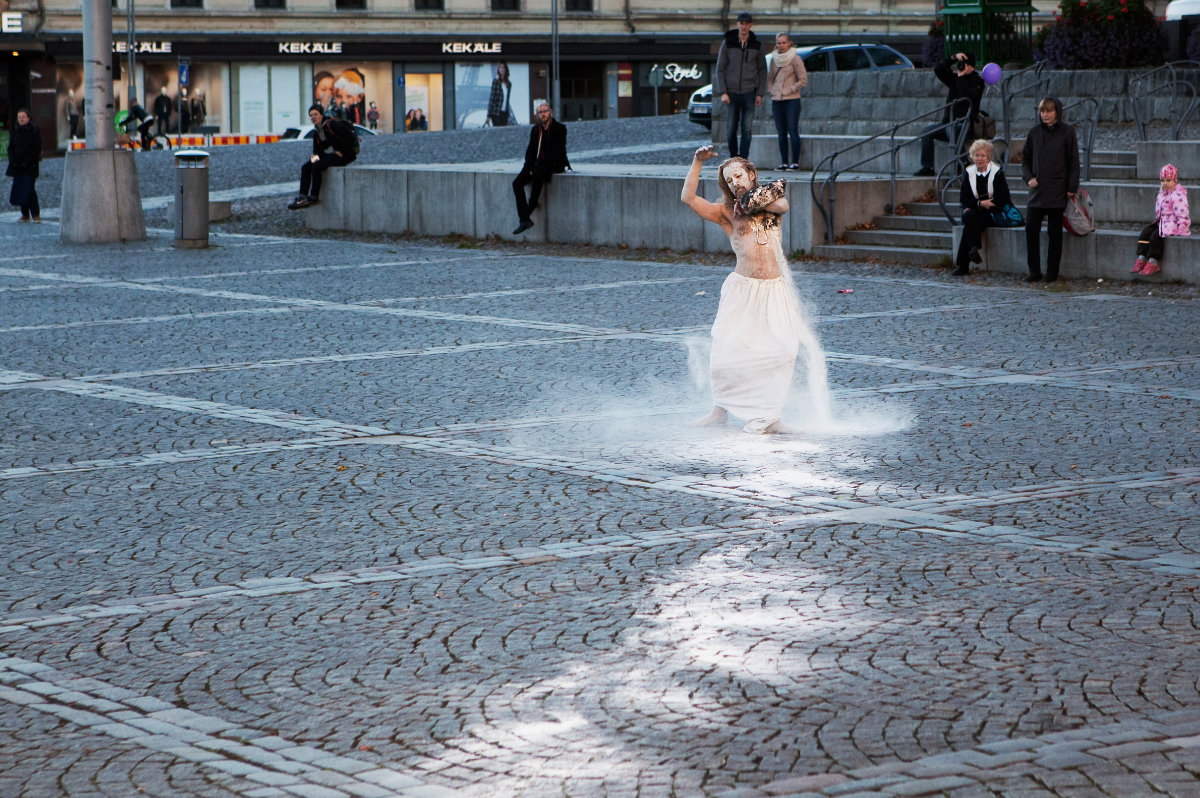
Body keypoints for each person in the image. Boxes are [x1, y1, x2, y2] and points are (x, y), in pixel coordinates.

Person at [680, 145, 805, 434]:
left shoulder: (771, 203)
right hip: (743, 288)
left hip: (774, 288)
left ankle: (770, 416)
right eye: (729, 180)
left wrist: (751, 200)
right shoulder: (726, 212)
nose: (735, 182)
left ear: (751, 174)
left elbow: (781, 205)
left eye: (739, 175)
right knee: (727, 347)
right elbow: (688, 197)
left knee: (784, 350)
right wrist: (698, 161)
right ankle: (719, 410)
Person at [1022, 97, 1079, 282]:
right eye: (1042, 111)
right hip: (1037, 191)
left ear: (1057, 112)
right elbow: (1025, 159)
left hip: (1057, 190)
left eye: (1048, 111)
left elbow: (1073, 162)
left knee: (1055, 234)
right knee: (1031, 230)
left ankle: (1052, 272)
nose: (1045, 115)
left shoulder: (1067, 132)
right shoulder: (1034, 132)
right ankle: (1034, 271)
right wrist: (1029, 177)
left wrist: (1071, 187)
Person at [914, 52, 984, 177]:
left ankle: (963, 163)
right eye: (960, 64)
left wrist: (961, 77)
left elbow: (967, 96)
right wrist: (953, 58)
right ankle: (927, 166)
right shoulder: (954, 79)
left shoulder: (977, 81)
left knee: (953, 129)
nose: (961, 66)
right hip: (948, 123)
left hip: (966, 124)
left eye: (964, 64)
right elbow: (938, 69)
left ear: (971, 66)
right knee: (926, 132)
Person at [953, 139, 1011, 276]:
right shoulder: (969, 172)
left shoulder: (997, 172)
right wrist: (979, 204)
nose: (979, 159)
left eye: (983, 155)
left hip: (993, 211)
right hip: (976, 210)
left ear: (988, 157)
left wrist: (986, 204)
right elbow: (964, 198)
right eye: (977, 155)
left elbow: (1004, 197)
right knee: (969, 217)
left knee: (969, 221)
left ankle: (964, 264)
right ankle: (973, 249)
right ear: (973, 157)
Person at [714, 11, 767, 160]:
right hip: (731, 93)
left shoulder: (757, 45)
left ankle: (743, 159)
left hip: (750, 92)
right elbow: (720, 69)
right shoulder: (728, 43)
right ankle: (733, 156)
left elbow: (763, 70)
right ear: (737, 24)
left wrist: (760, 93)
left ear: (750, 25)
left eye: (746, 24)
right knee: (731, 128)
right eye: (741, 23)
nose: (744, 26)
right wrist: (723, 91)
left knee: (747, 129)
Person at [511, 102, 569, 235]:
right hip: (537, 164)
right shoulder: (536, 130)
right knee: (517, 183)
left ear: (550, 112)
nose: (543, 114)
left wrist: (536, 166)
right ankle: (525, 219)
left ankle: (529, 209)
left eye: (545, 111)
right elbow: (530, 152)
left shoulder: (560, 128)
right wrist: (529, 166)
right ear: (537, 115)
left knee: (537, 175)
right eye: (540, 112)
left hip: (553, 164)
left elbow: (557, 152)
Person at [287, 105, 358, 210]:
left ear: (321, 115)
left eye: (315, 114)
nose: (313, 117)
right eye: (311, 115)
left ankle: (314, 197)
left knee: (317, 166)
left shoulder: (332, 125)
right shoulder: (317, 133)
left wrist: (341, 150)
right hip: (332, 155)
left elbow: (350, 137)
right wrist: (313, 159)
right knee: (306, 167)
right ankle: (302, 198)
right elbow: (317, 152)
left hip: (346, 154)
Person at [1132, 163, 1190, 276]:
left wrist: (1182, 227)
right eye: (1163, 180)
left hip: (1171, 223)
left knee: (1155, 236)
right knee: (1145, 232)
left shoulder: (1178, 195)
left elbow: (1182, 213)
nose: (1165, 183)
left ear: (1174, 181)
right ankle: (1142, 258)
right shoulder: (1162, 194)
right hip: (1161, 221)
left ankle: (1153, 262)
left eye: (1168, 180)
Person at [767, 32, 807, 171]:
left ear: (789, 43)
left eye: (784, 42)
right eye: (779, 43)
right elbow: (770, 77)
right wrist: (772, 90)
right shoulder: (774, 58)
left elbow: (803, 80)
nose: (781, 45)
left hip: (792, 100)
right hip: (777, 100)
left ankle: (795, 162)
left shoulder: (795, 58)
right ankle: (784, 162)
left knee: (793, 130)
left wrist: (790, 89)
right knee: (781, 132)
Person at [7, 108, 42, 223]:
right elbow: (11, 148)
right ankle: (25, 215)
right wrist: (13, 161)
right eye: (19, 117)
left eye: (23, 116)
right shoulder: (16, 131)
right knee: (20, 189)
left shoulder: (34, 130)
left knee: (30, 189)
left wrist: (27, 161)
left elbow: (36, 148)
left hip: (30, 166)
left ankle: (36, 214)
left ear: (28, 118)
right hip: (17, 166)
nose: (21, 119)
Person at [487, 62, 514, 127]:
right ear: (498, 70)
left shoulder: (509, 84)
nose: (502, 69)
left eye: (503, 67)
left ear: (506, 69)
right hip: (496, 112)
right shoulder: (495, 82)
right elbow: (492, 98)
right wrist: (488, 115)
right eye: (500, 67)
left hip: (505, 113)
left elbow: (507, 99)